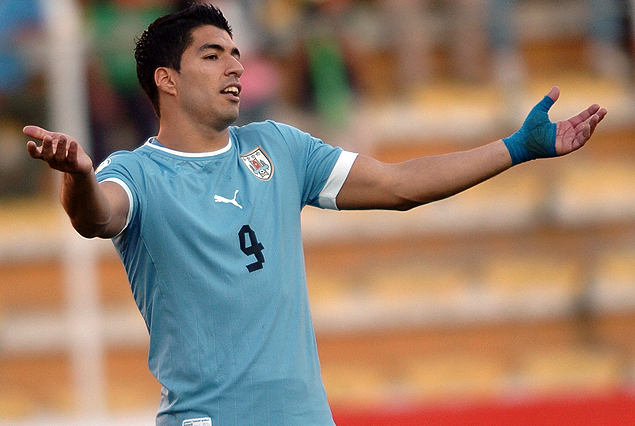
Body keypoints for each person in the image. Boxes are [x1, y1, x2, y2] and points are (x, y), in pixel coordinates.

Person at [23, 4, 607, 426]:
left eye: (236, 55)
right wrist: (78, 177)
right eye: (213, 55)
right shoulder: (138, 172)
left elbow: (399, 185)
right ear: (166, 79)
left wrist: (515, 148)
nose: (234, 67)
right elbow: (97, 216)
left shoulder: (277, 145)